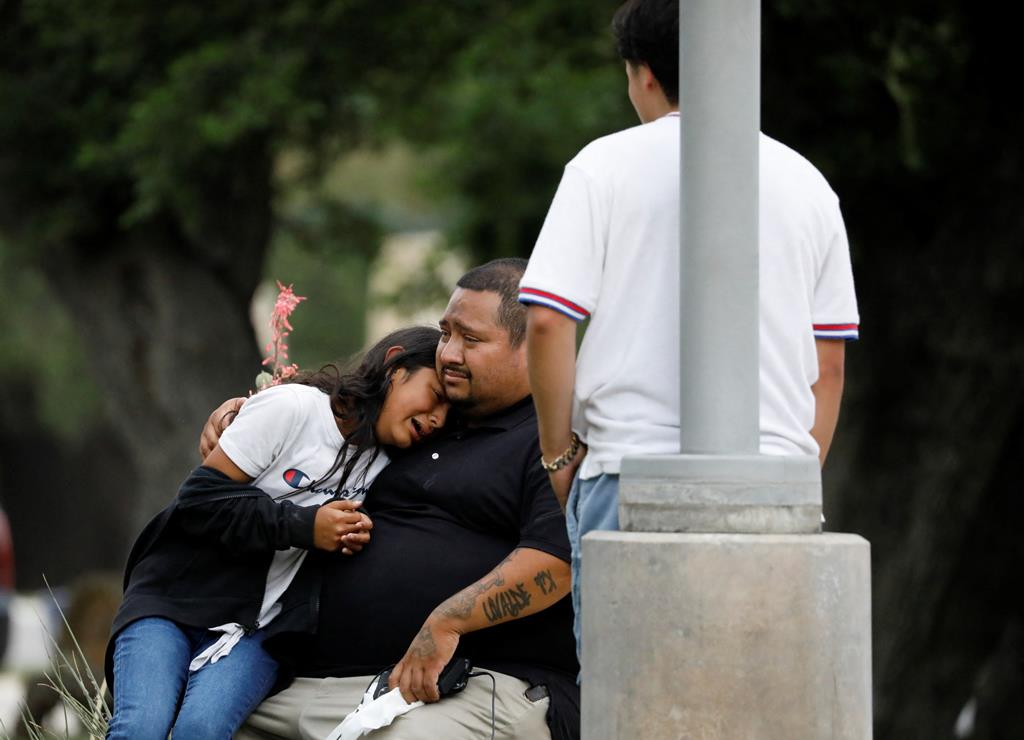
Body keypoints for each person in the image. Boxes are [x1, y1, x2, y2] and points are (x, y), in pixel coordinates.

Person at [519, 0, 860, 655]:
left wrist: (559, 456)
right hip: (776, 483)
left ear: (642, 73)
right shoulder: (807, 182)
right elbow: (831, 364)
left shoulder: (603, 165)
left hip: (628, 472)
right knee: (760, 703)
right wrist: (796, 469)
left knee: (631, 701)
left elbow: (546, 322)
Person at [203, 259, 579, 740]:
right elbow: (330, 410)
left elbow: (556, 562)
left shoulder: (555, 438)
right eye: (446, 334)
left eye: (471, 339)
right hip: (320, 680)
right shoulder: (427, 418)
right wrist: (240, 414)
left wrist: (447, 622)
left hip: (469, 685)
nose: (448, 353)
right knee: (191, 725)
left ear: (534, 347)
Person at [105, 326, 449, 740]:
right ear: (396, 367)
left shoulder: (388, 465)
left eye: (450, 414)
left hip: (260, 632)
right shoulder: (293, 408)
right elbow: (199, 499)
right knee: (141, 728)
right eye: (437, 396)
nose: (438, 419)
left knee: (201, 729)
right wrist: (305, 526)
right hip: (171, 603)